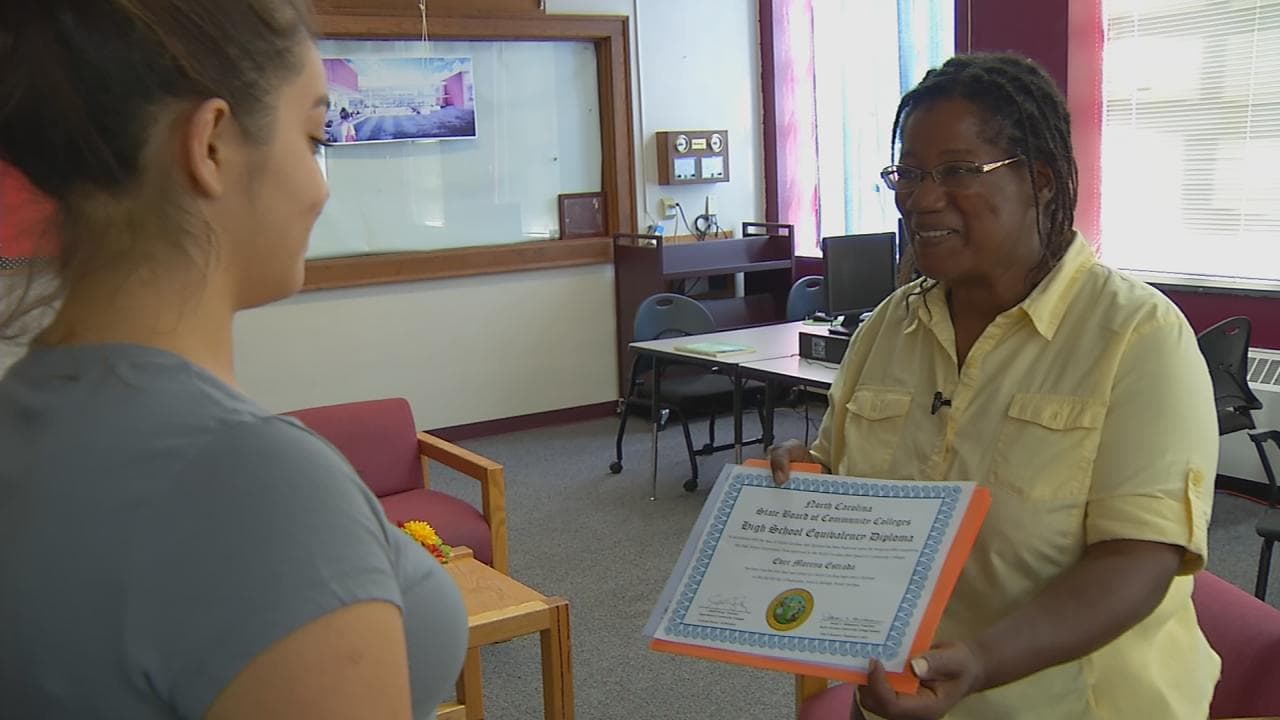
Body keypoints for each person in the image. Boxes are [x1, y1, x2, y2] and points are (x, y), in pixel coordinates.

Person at [0, 2, 466, 718]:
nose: (321, 186)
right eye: (313, 137)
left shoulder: (26, 415)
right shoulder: (251, 483)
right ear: (211, 144)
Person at [770, 53, 1219, 720]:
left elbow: (1138, 559)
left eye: (956, 172)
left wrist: (982, 662)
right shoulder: (889, 326)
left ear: (1039, 180)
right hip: (899, 697)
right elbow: (840, 473)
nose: (921, 199)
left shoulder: (1139, 337)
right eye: (910, 173)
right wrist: (805, 479)